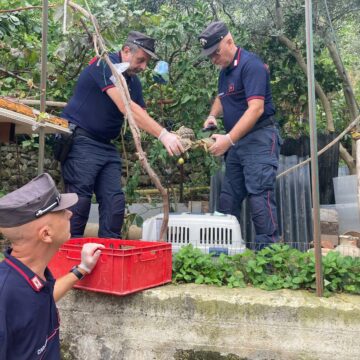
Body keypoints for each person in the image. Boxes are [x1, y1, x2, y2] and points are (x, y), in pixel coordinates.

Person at [60, 30, 184, 238]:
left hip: (106, 145)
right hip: (82, 139)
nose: (144, 67)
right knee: (79, 203)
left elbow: (140, 114)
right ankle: (68, 258)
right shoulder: (104, 65)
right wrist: (163, 135)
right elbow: (127, 107)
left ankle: (109, 257)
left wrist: (170, 132)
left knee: (114, 202)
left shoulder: (133, 81)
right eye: (141, 60)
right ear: (126, 51)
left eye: (146, 62)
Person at [0, 173, 104, 359]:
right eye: (62, 211)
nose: (70, 213)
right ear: (46, 234)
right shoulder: (5, 296)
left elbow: (40, 299)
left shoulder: (28, 275)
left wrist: (82, 269)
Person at [198, 21, 281, 249]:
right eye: (210, 56)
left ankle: (269, 261)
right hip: (238, 143)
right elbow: (221, 97)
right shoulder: (225, 72)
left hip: (260, 138)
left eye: (215, 53)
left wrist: (229, 139)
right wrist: (213, 116)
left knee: (259, 198)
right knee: (228, 199)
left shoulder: (251, 65)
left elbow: (256, 109)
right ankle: (223, 255)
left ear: (229, 41)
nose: (213, 59)